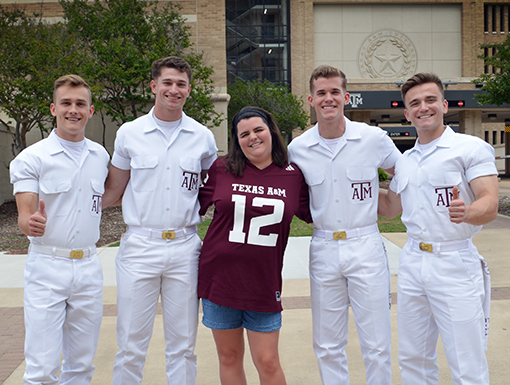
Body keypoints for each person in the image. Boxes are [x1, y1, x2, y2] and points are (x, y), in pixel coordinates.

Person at [102, 56, 218, 385]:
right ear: (153, 86)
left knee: (183, 345)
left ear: (189, 90)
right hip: (140, 246)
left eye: (181, 84)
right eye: (167, 82)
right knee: (130, 343)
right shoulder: (130, 134)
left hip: (185, 248)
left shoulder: (202, 137)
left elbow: (214, 185)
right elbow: (113, 190)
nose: (173, 89)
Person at [379, 72, 499, 385]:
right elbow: (391, 208)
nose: (424, 107)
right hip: (412, 264)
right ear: (407, 114)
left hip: (454, 264)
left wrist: (468, 211)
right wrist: (347, 187)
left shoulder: (470, 148)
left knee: (466, 362)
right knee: (414, 359)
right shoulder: (405, 161)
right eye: (414, 103)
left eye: (430, 100)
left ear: (444, 105)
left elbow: (490, 203)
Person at [287, 65, 401, 385]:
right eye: (321, 93)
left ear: (346, 97)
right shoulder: (299, 148)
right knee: (326, 344)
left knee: (376, 342)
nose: (328, 99)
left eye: (335, 92)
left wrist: (389, 202)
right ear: (311, 99)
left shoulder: (372, 138)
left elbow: (405, 173)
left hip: (365, 244)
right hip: (323, 247)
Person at [198, 106, 311, 385]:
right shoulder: (221, 169)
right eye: (244, 134)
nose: (253, 137)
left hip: (262, 282)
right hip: (218, 280)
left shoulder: (293, 175)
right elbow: (189, 206)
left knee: (268, 362)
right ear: (237, 140)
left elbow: (320, 213)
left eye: (258, 130)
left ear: (271, 130)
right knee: (228, 357)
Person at [9, 75, 109, 384]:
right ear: (54, 108)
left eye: (81, 104)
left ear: (90, 111)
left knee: (81, 364)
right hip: (47, 268)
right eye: (66, 103)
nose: (73, 110)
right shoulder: (32, 158)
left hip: (89, 267)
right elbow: (25, 215)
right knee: (42, 366)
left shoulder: (100, 156)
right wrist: (32, 223)